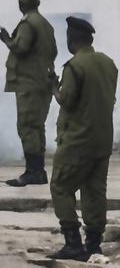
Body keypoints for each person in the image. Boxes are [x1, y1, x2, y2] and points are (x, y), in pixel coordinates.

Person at [46, 17, 117, 261]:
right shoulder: (109, 63)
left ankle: (72, 243)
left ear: (71, 39)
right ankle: (93, 245)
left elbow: (68, 100)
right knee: (94, 190)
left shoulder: (74, 66)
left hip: (79, 140)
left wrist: (54, 87)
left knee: (60, 186)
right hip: (103, 139)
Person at [0, 0, 58, 187]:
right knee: (36, 127)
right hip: (42, 83)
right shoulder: (45, 24)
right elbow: (54, 51)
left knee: (27, 127)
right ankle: (38, 171)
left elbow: (21, 48)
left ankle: (33, 172)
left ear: (22, 4)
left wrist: (7, 40)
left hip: (29, 83)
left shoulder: (28, 23)